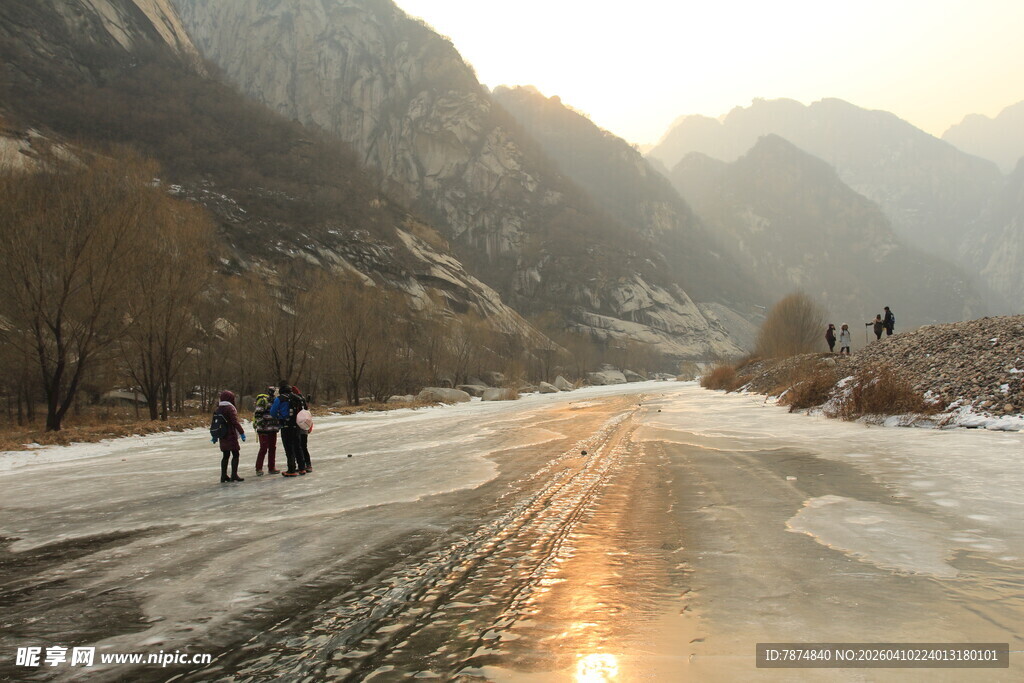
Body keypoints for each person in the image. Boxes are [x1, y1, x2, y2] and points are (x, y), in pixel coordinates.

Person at [270, 381, 303, 477]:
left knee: (289, 448)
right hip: (296, 425)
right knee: (298, 447)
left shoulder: (280, 399)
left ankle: (291, 469)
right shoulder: (297, 398)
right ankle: (302, 468)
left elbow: (273, 412)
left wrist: (279, 417)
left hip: (286, 425)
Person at [214, 390, 246, 482]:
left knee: (225, 455)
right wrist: (242, 432)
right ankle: (234, 475)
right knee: (235, 453)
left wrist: (215, 435)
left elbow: (215, 423)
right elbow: (234, 422)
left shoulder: (218, 408)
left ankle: (223, 475)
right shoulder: (230, 408)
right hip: (230, 434)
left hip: (222, 434)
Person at [253, 386, 280, 476]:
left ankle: (271, 467)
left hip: (273, 428)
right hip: (263, 429)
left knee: (272, 448)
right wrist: (262, 424)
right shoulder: (263, 401)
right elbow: (258, 414)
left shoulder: (276, 401)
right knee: (263, 448)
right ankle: (258, 468)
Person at [293, 386, 313, 474]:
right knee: (302, 446)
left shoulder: (296, 401)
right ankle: (305, 464)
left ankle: (306, 464)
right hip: (303, 428)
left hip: (300, 427)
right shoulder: (303, 402)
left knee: (300, 447)